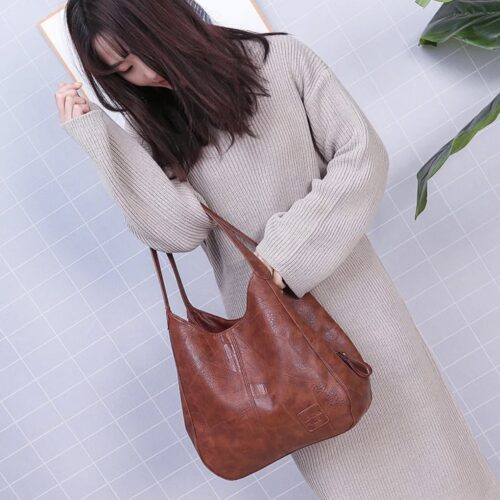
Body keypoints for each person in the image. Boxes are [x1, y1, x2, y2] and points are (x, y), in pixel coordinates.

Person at [55, 1, 500, 498]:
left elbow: (362, 156)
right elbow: (177, 232)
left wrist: (282, 259)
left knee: (445, 470)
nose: (141, 76)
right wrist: (101, 142)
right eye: (121, 72)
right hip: (280, 354)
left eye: (137, 54)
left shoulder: (281, 59)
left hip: (363, 309)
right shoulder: (155, 124)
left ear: (166, 23)